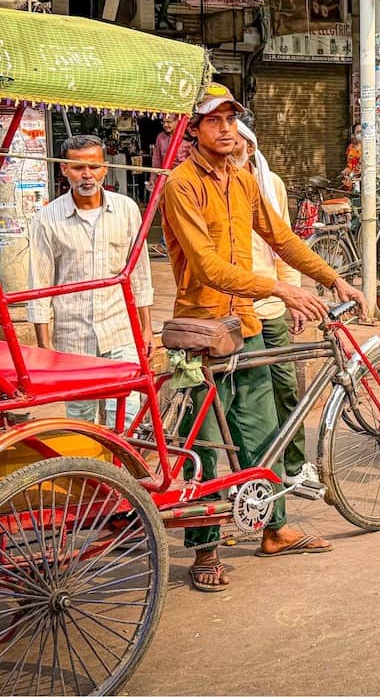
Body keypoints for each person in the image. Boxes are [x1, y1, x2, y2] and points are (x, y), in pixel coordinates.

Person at [162, 85, 365, 591]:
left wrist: (333, 277)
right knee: (205, 443)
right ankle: (205, 549)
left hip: (246, 328)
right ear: (195, 129)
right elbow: (207, 266)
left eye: (232, 119)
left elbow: (282, 238)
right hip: (202, 332)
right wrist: (276, 287)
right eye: (214, 120)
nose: (226, 128)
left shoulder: (243, 180)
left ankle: (273, 528)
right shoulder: (181, 185)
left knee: (262, 432)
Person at [28, 134, 153, 427]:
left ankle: (119, 471)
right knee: (81, 418)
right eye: (77, 168)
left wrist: (146, 328)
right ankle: (88, 471)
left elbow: (140, 272)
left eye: (94, 167)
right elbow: (40, 285)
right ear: (63, 170)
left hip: (120, 329)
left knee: (124, 414)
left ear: (105, 168)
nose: (87, 175)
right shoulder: (47, 218)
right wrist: (44, 345)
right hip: (73, 335)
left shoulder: (126, 209)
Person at [233, 119, 319, 487]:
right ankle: (253, 476)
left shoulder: (271, 185)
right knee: (245, 398)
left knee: (285, 387)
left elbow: (284, 244)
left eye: (235, 141)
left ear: (250, 147)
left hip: (271, 305)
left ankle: (295, 466)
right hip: (231, 309)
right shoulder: (207, 186)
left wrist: (293, 295)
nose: (228, 147)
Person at [148, 113, 193, 257]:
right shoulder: (161, 138)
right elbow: (156, 159)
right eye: (164, 122)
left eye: (169, 122)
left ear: (177, 122)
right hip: (165, 179)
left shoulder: (188, 139)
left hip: (183, 180)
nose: (166, 125)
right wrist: (153, 178)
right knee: (166, 212)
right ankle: (166, 244)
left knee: (183, 212)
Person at [341, 122, 362, 191]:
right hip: (353, 181)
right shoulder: (350, 148)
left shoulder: (369, 148)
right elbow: (350, 164)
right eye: (358, 132)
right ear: (354, 135)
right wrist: (347, 170)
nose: (360, 134)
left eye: (362, 132)